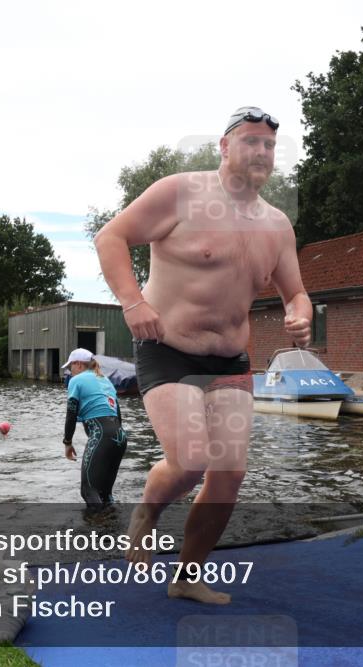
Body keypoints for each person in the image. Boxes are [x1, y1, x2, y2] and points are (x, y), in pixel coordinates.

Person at [93, 106, 311, 604]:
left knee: (229, 474)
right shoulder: (182, 192)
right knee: (190, 461)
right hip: (169, 350)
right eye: (251, 141)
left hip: (231, 361)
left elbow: (296, 293)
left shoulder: (277, 226)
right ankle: (148, 508)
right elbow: (112, 236)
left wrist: (301, 314)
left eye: (269, 145)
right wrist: (133, 302)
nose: (260, 152)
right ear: (225, 146)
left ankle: (187, 576)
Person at [60, 348, 127, 510]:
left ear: (78, 364)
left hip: (102, 435)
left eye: (70, 368)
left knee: (88, 491)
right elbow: (118, 416)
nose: (70, 372)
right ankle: (112, 529)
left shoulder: (77, 381)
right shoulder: (105, 380)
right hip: (120, 436)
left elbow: (71, 413)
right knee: (105, 494)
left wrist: (67, 442)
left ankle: (97, 532)